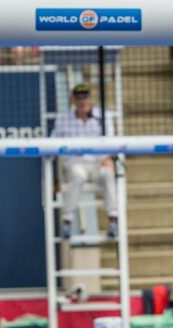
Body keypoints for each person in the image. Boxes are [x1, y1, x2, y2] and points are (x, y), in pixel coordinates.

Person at [50, 84, 119, 240]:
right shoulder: (63, 119)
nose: (82, 101)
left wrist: (107, 157)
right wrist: (51, 165)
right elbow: (52, 143)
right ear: (73, 100)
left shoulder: (103, 116)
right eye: (78, 98)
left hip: (98, 163)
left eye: (85, 97)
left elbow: (112, 141)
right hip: (76, 164)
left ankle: (113, 219)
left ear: (90, 98)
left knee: (108, 173)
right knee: (77, 175)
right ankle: (67, 221)